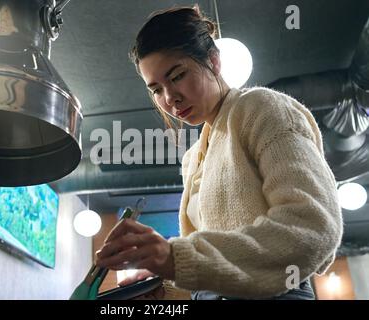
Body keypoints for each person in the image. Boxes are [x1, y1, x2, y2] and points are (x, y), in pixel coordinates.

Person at [95, 5, 343, 300]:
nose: (170, 98)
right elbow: (214, 272)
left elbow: (312, 226)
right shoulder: (193, 158)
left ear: (214, 61)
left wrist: (174, 257)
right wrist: (165, 285)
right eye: (156, 89)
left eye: (176, 76)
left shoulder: (261, 108)